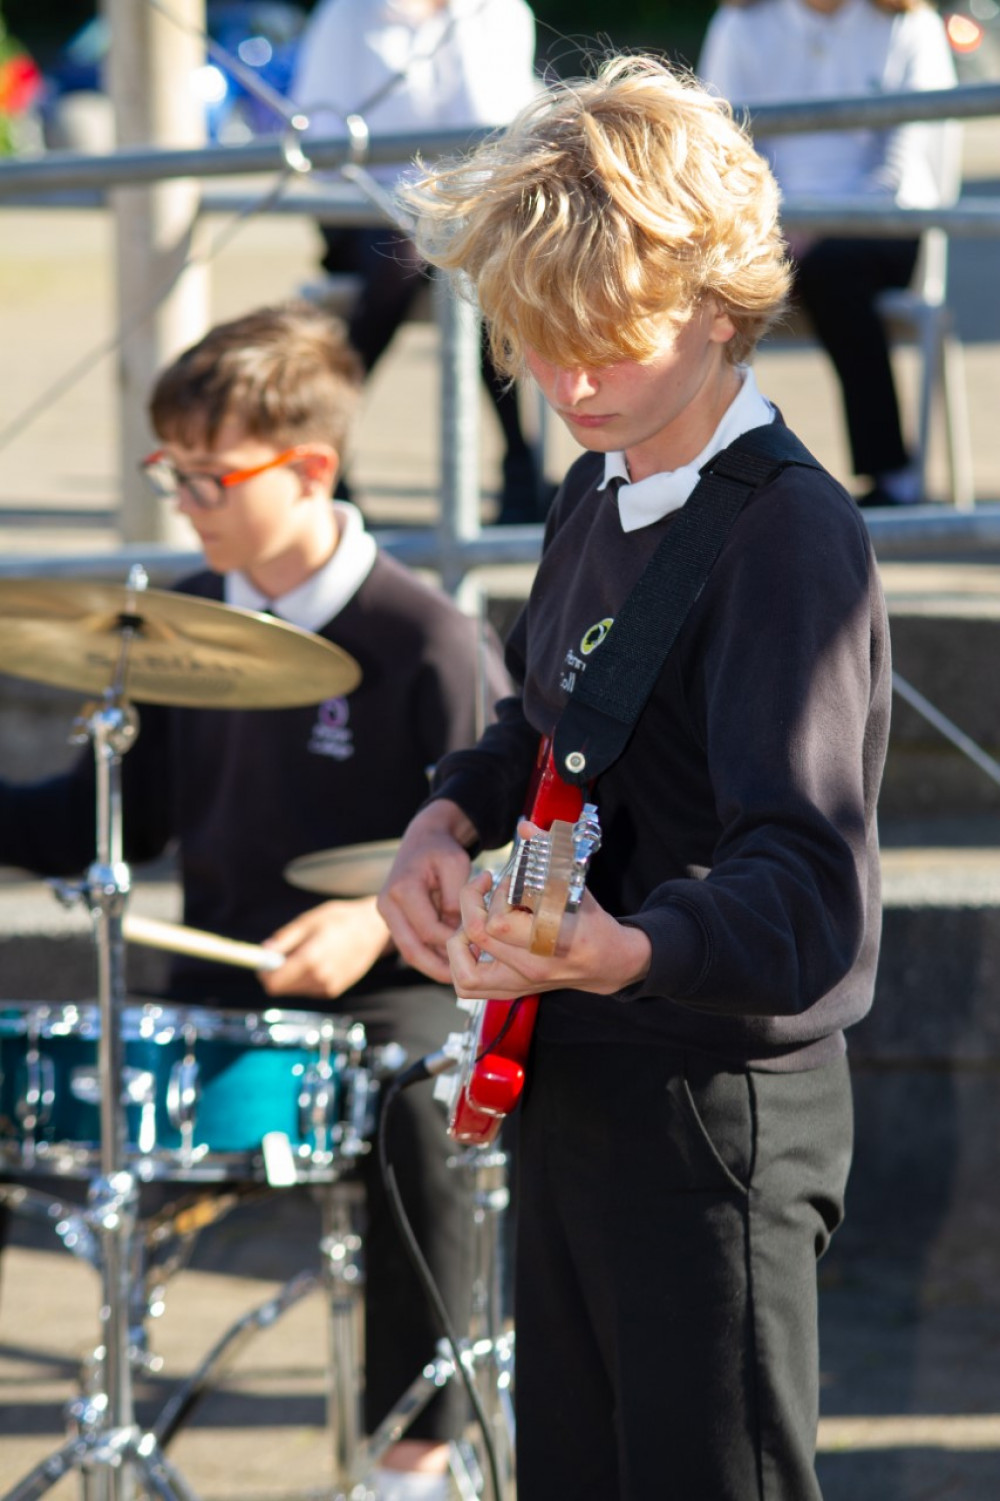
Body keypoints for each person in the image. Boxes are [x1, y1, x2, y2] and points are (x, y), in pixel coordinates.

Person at [376, 55, 892, 1500]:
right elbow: (553, 725)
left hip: (714, 1106)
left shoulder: (787, 538)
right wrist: (443, 816)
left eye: (608, 338)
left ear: (722, 298)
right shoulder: (598, 483)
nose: (570, 381)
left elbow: (808, 897)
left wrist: (626, 946)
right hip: (580, 1076)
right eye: (537, 342)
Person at [0, 302, 509, 1501]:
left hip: (398, 1000)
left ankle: (415, 1454)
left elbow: (499, 864)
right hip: (219, 998)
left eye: (209, 473)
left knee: (416, 1119)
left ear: (312, 468)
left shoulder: (426, 642)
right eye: (167, 468)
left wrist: (377, 920)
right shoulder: (182, 622)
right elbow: (84, 826)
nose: (184, 495)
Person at [290, 0, 552, 524]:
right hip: (366, 210)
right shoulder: (345, 17)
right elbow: (318, 146)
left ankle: (516, 464)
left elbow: (498, 127)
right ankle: (516, 462)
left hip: (469, 211)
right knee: (413, 251)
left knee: (465, 263)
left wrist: (459, 24)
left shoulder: (495, 14)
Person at [698, 0, 959, 508]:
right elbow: (723, 150)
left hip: (883, 227)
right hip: (765, 230)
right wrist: (772, 222)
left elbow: (907, 163)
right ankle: (705, 471)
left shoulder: (908, 24)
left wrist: (821, 224)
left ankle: (888, 472)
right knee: (689, 287)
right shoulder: (741, 24)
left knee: (834, 271)